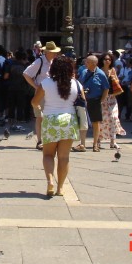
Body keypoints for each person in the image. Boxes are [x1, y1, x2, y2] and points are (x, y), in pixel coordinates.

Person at [32, 55, 80, 196]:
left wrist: (40, 109)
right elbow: (83, 102)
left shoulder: (45, 83)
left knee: (48, 154)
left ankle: (50, 182)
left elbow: (34, 102)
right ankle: (60, 188)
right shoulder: (76, 84)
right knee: (64, 157)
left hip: (51, 120)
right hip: (69, 120)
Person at [23, 41, 60, 149]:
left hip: (53, 93)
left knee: (51, 116)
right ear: (47, 52)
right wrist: (35, 86)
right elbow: (26, 73)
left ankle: (50, 138)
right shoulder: (39, 61)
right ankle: (40, 141)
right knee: (40, 117)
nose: (55, 54)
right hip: (41, 93)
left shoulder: (54, 62)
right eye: (53, 52)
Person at [78, 54, 109, 151]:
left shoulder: (101, 74)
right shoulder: (83, 72)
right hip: (84, 100)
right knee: (83, 122)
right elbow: (79, 84)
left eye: (87, 62)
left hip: (95, 100)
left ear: (94, 63)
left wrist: (102, 100)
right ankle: (82, 144)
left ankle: (95, 144)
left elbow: (106, 88)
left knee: (96, 122)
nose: (85, 63)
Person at [99, 51, 126, 149]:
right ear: (102, 60)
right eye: (105, 59)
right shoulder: (99, 70)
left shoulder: (113, 70)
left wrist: (115, 79)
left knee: (114, 118)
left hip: (112, 97)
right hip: (102, 97)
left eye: (109, 59)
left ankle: (113, 141)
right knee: (102, 119)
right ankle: (98, 140)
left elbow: (117, 82)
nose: (107, 61)